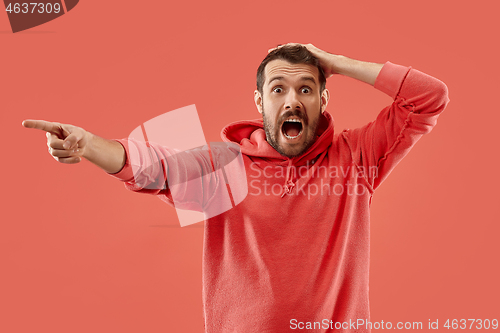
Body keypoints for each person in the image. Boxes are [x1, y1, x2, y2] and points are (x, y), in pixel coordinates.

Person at [23, 43, 450, 332]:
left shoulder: (356, 157)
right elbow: (154, 167)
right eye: (278, 89)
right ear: (260, 102)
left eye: (306, 88)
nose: (291, 100)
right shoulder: (223, 164)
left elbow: (429, 98)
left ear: (322, 100)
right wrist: (89, 145)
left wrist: (334, 62)